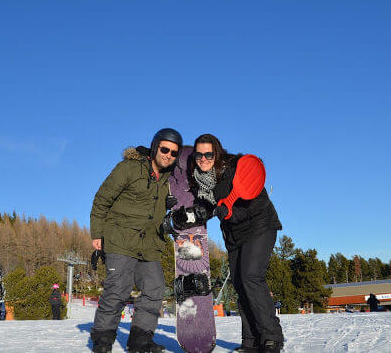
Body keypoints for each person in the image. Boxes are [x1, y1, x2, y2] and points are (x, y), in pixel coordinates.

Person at [178, 133, 283, 352]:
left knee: (251, 278)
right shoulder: (199, 182)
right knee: (239, 283)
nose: (204, 158)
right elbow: (207, 210)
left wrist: (229, 212)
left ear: (217, 153)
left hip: (260, 227)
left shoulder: (234, 169)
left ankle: (271, 337)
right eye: (199, 154)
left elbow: (257, 202)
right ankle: (251, 342)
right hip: (235, 236)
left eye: (209, 154)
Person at [89, 128, 182, 353]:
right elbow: (102, 200)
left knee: (154, 289)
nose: (168, 155)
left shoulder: (171, 180)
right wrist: (97, 234)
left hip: (150, 244)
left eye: (173, 153)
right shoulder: (129, 169)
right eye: (164, 149)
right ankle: (102, 342)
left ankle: (140, 341)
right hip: (121, 238)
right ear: (155, 146)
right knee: (118, 289)